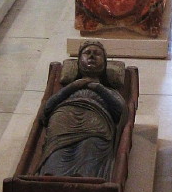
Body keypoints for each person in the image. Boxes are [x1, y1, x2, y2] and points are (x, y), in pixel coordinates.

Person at [37, 40, 128, 178]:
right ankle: (50, 181)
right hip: (64, 120)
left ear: (104, 64)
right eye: (87, 53)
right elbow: (47, 109)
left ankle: (86, 184)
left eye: (97, 54)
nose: (91, 56)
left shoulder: (109, 91)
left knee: (90, 146)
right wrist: (72, 87)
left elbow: (120, 112)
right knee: (58, 153)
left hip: (95, 122)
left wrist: (99, 88)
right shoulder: (70, 89)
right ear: (78, 63)